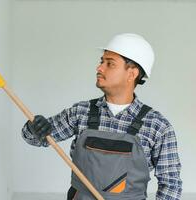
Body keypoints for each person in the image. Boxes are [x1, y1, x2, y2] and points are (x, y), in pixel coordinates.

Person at [21, 33, 182, 200]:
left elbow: (170, 185)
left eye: (110, 64)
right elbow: (34, 139)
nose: (99, 68)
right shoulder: (80, 112)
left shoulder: (157, 126)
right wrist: (34, 128)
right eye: (101, 62)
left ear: (132, 74)